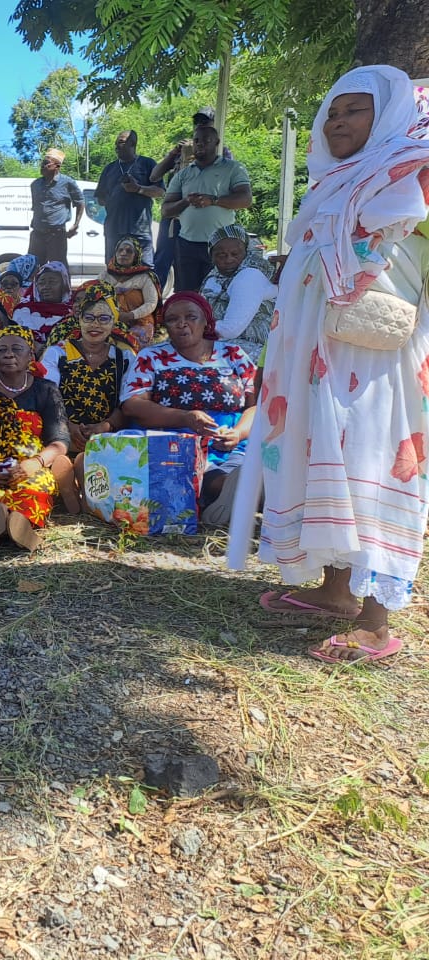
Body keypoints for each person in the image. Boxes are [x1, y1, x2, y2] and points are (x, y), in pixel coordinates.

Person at [229, 65, 429, 663]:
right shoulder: (335, 179)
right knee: (324, 447)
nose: (337, 120)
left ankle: (377, 621)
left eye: (355, 110)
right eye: (331, 111)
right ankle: (337, 592)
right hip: (316, 352)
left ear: (389, 115)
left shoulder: (416, 170)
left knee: (373, 455)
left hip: (381, 355)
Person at [121, 291, 256, 523]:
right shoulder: (151, 356)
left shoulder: (233, 354)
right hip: (174, 440)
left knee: (242, 467)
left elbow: (259, 405)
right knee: (185, 471)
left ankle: (233, 494)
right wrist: (185, 418)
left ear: (206, 321)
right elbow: (132, 405)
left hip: (229, 442)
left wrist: (239, 433)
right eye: (172, 319)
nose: (182, 324)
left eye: (191, 317)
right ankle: (229, 497)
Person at [0, 326, 72, 551]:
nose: (9, 354)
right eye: (2, 350)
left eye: (17, 349)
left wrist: (35, 463)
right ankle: (6, 524)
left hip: (28, 466)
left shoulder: (46, 390)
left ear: (31, 355)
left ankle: (15, 525)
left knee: (37, 487)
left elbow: (60, 441)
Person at [40, 282, 137, 456]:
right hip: (62, 436)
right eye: (89, 317)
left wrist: (105, 426)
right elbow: (46, 396)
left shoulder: (125, 358)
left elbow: (129, 403)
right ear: (80, 319)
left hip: (109, 439)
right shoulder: (57, 353)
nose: (95, 325)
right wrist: (68, 425)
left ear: (114, 322)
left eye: (104, 319)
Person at [161, 125, 252, 291]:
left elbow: (245, 200)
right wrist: (186, 201)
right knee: (187, 294)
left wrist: (214, 201)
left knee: (216, 294)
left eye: (205, 140)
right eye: (196, 140)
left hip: (221, 246)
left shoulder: (232, 168)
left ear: (216, 143)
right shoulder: (183, 174)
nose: (200, 144)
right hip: (186, 244)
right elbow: (166, 210)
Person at [200, 225, 278, 356]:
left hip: (257, 348)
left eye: (235, 254)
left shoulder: (249, 276)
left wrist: (195, 326)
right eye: (221, 255)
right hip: (221, 338)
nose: (229, 259)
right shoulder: (215, 275)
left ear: (246, 252)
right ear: (211, 256)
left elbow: (231, 329)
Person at [94, 131, 163, 264]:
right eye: (116, 143)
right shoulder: (109, 169)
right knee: (113, 272)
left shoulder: (147, 164)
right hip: (114, 230)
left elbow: (159, 191)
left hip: (139, 230)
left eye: (120, 142)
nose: (116, 146)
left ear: (132, 143)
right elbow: (100, 198)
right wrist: (114, 199)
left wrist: (138, 189)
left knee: (144, 272)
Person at [28, 148, 84, 270]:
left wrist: (76, 224)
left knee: (59, 268)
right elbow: (36, 208)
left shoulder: (67, 182)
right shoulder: (35, 184)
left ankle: (65, 289)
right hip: (37, 234)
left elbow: (80, 202)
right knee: (33, 267)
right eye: (41, 164)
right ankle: (34, 290)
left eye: (45, 164)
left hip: (56, 234)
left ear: (57, 167)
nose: (42, 167)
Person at [99, 237, 161, 345]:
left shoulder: (145, 276)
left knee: (130, 344)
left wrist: (131, 315)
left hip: (140, 321)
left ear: (136, 256)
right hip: (110, 319)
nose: (123, 253)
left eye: (129, 251)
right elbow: (95, 296)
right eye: (120, 250)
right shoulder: (105, 275)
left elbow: (151, 303)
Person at [12, 261, 73, 348]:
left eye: (52, 282)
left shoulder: (73, 312)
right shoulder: (23, 311)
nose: (46, 287)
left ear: (64, 285)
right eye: (41, 283)